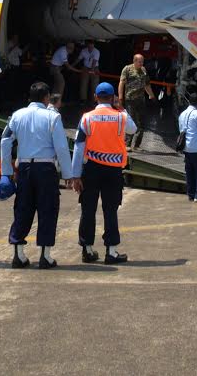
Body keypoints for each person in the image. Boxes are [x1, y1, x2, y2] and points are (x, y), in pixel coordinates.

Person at [0, 82, 75, 269]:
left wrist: (6, 172)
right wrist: (68, 173)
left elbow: (5, 140)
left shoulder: (17, 115)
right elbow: (61, 148)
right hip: (46, 169)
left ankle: (18, 254)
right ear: (46, 98)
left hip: (24, 168)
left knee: (22, 208)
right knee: (47, 210)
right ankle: (45, 255)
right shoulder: (52, 117)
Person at [70, 82, 137, 263]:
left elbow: (78, 146)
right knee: (110, 209)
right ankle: (112, 251)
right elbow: (133, 129)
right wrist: (122, 108)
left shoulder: (87, 118)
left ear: (95, 96)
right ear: (113, 97)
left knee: (88, 208)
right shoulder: (120, 117)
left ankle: (87, 249)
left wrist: (75, 174)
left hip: (91, 168)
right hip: (113, 170)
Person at [119, 53, 155, 150]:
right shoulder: (127, 69)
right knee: (131, 122)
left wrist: (151, 95)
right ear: (134, 61)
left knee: (142, 122)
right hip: (130, 100)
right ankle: (127, 144)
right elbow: (121, 83)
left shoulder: (143, 70)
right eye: (139, 61)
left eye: (142, 61)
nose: (141, 63)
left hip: (141, 100)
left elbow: (147, 84)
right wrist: (120, 97)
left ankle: (137, 145)